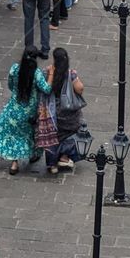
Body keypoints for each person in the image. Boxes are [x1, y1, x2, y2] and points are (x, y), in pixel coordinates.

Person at [0, 47, 53, 175]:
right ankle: (33, 155)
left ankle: (14, 164)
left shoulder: (14, 68)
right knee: (30, 134)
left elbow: (10, 85)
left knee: (14, 135)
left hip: (13, 109)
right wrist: (51, 74)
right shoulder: (36, 73)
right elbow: (47, 89)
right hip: (30, 112)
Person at [45, 47, 86, 175]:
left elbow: (45, 87)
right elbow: (79, 88)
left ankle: (52, 165)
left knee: (52, 136)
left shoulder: (48, 72)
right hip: (69, 114)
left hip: (53, 112)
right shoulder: (71, 73)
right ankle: (64, 156)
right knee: (75, 131)